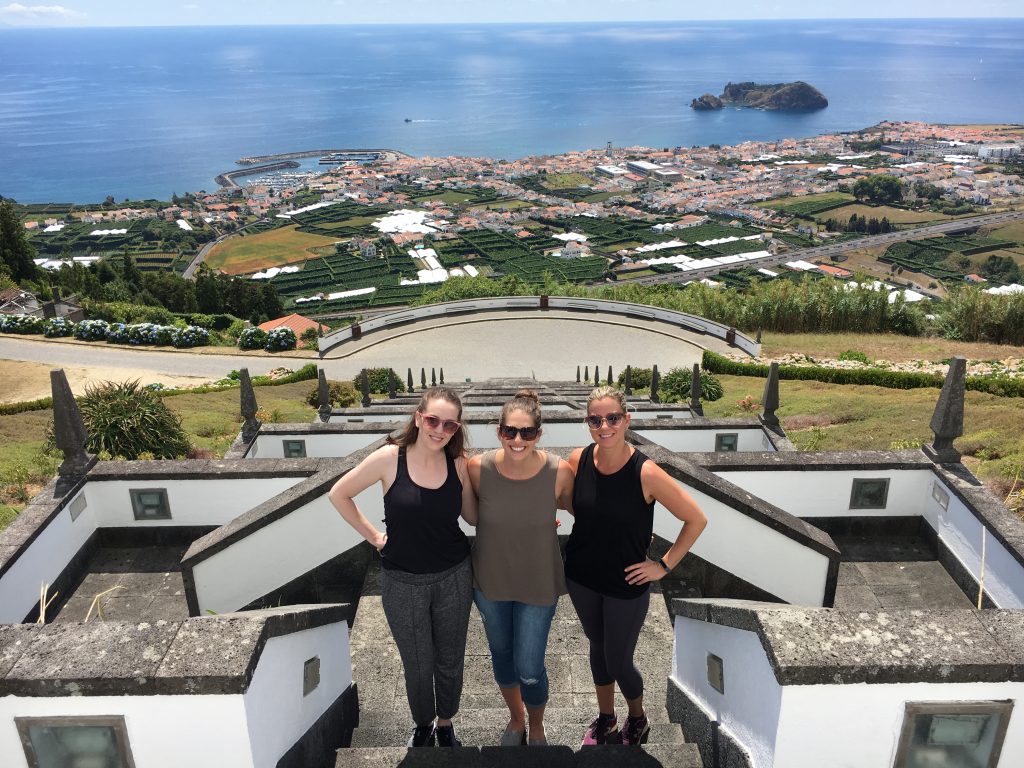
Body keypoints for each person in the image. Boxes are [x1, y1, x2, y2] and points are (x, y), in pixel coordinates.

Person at [328, 386, 477, 749]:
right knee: (417, 663)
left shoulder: (458, 464)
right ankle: (423, 723)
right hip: (402, 582)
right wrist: (375, 537)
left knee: (450, 659)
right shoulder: (388, 458)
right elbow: (338, 494)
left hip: (454, 576)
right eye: (433, 420)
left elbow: (474, 517)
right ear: (418, 417)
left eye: (449, 425)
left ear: (456, 429)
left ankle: (445, 722)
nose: (439, 429)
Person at [565, 385, 708, 747]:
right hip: (581, 576)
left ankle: (638, 717)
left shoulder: (645, 473)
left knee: (619, 659)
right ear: (588, 423)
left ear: (627, 420)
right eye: (595, 419)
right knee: (597, 647)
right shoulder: (576, 460)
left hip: (626, 584)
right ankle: (606, 718)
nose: (604, 426)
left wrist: (662, 565)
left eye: (612, 418)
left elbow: (696, 519)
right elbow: (566, 502)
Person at [468, 389, 575, 747]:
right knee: (501, 657)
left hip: (539, 584)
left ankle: (537, 724)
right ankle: (516, 719)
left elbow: (587, 513)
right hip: (490, 583)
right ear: (498, 431)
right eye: (510, 431)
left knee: (530, 668)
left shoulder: (559, 471)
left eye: (527, 432)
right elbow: (464, 511)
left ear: (539, 434)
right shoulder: (477, 468)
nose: (518, 440)